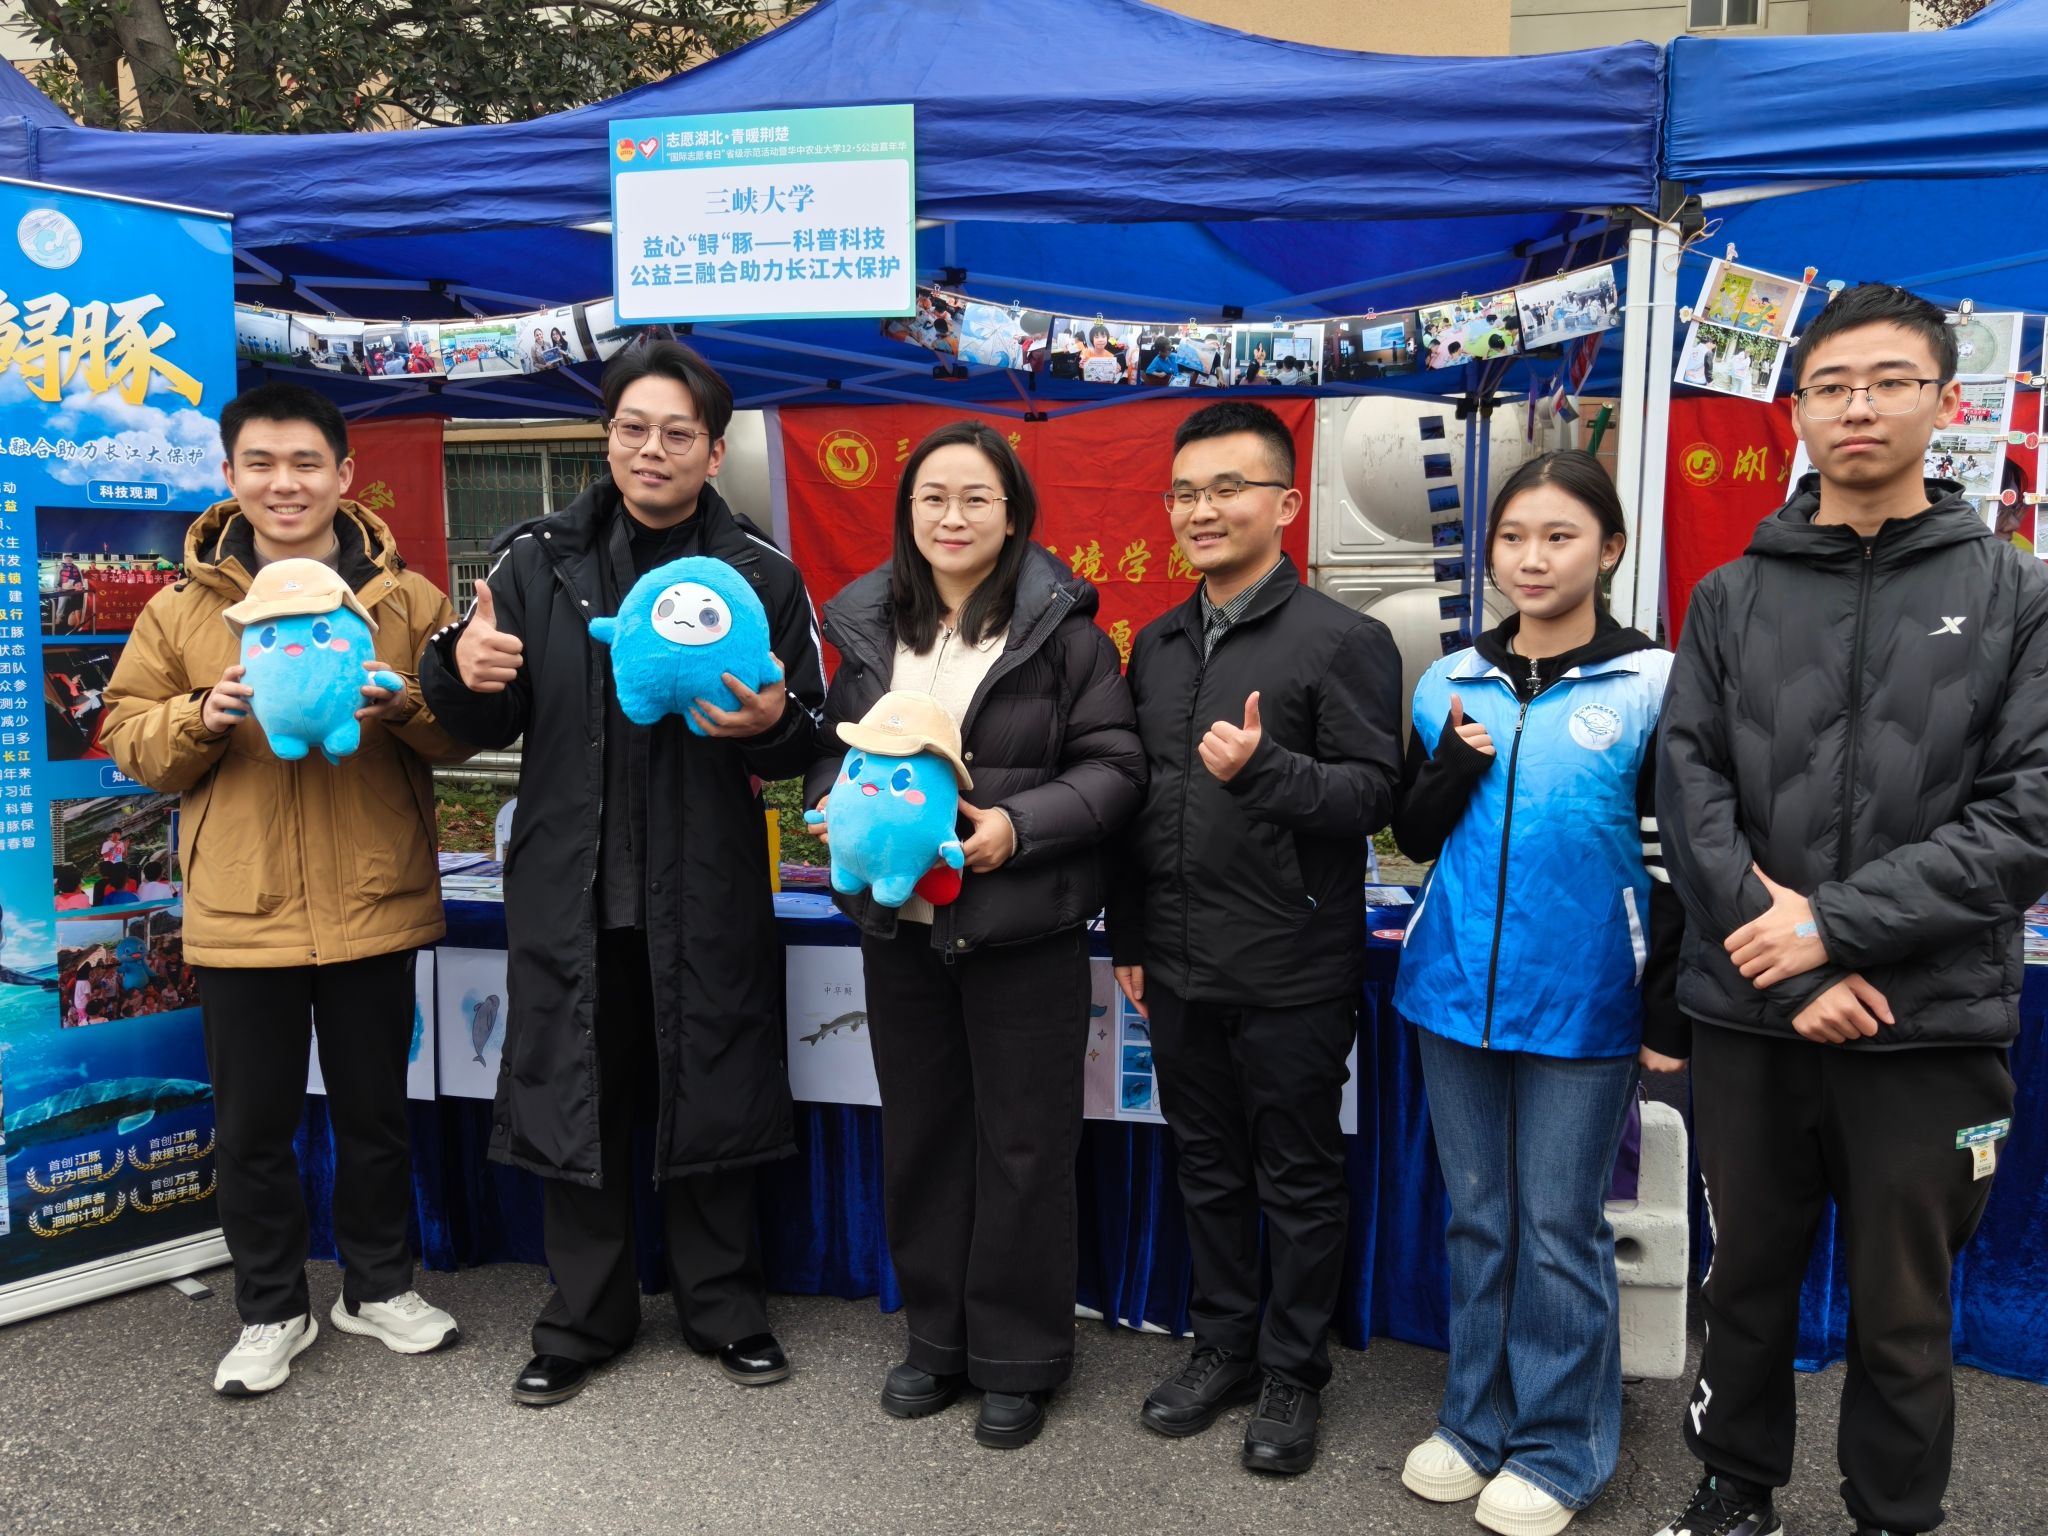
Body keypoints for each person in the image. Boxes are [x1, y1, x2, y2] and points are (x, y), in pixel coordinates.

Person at [1652, 282, 2048, 1536]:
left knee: (1902, 1303)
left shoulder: (2015, 594)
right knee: (1746, 1274)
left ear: (1942, 401)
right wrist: (1794, 968)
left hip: (1927, 1022)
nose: (1857, 406)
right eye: (1829, 385)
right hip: (1752, 1014)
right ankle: (1732, 1485)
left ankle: (1892, 1512)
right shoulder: (1728, 597)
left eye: (1888, 382)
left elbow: (2025, 817)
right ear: (1797, 411)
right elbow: (1687, 793)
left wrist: (1832, 928)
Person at [419, 340, 829, 1410]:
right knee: (577, 1099)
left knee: (712, 1085)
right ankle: (582, 1319)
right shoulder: (532, 560)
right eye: (632, 428)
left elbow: (806, 733)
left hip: (706, 885)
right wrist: (458, 670)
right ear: (607, 438)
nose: (653, 450)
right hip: (573, 886)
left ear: (714, 450)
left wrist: (770, 722)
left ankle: (723, 1307)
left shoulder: (760, 573)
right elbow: (482, 719)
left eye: (677, 433)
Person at [101, 381, 472, 1396]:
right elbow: (127, 737)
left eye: (306, 462)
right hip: (241, 908)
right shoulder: (182, 610)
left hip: (372, 900)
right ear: (229, 476)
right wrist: (200, 715)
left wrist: (403, 704)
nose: (285, 483)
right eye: (260, 463)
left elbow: (462, 728)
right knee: (253, 1131)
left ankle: (378, 1287)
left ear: (344, 475)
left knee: (374, 1117)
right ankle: (270, 1307)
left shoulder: (407, 602)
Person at [802, 422, 1143, 1450]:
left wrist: (1014, 828)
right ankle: (935, 1340)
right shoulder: (871, 632)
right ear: (907, 511)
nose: (952, 517)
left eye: (975, 498)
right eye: (932, 498)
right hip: (898, 930)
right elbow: (834, 754)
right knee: (922, 1136)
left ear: (1012, 514)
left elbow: (1115, 769)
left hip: (1020, 929)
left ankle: (1017, 1357)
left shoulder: (1065, 637)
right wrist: (831, 809)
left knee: (1025, 1145)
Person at [1390, 451, 1684, 1536]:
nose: (1531, 558)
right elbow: (1413, 834)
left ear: (1608, 550)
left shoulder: (1654, 683)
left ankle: (1561, 1447)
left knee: (1558, 1225)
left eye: (1559, 536)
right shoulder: (1447, 679)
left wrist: (1666, 1008)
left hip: (1587, 993)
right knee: (1478, 1218)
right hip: (1451, 989)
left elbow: (1678, 861)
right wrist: (1449, 769)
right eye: (1512, 537)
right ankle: (1473, 1424)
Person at [1107, 400, 1403, 1476]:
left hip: (1291, 965)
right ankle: (1223, 1345)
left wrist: (1265, 771)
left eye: (1227, 488)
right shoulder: (1156, 645)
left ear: (1284, 503)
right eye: (1185, 492)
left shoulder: (1345, 640)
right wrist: (1130, 933)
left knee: (1297, 1176)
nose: (1203, 510)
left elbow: (1373, 795)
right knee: (1206, 1167)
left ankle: (1292, 1370)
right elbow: (1138, 801)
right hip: (1177, 962)